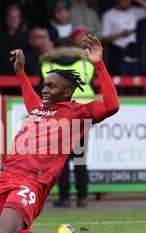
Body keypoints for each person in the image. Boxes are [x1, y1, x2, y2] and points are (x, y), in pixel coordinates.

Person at [0, 34, 120, 233]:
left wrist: (99, 65)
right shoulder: (38, 109)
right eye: (45, 85)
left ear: (67, 92)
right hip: (3, 179)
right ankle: (5, 231)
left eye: (51, 87)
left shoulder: (77, 113)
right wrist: (20, 73)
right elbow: (31, 97)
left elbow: (112, 106)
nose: (45, 90)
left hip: (30, 184)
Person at [40, 33, 96, 208]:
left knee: (61, 158)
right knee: (80, 158)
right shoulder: (86, 65)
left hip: (61, 116)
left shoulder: (47, 65)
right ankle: (82, 196)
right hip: (82, 115)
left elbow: (43, 90)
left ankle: (64, 197)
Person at [101, 0, 146, 76]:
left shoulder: (133, 11)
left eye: (129, 1)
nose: (127, 3)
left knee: (136, 79)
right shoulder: (109, 15)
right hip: (118, 52)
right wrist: (121, 34)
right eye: (125, 1)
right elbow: (104, 38)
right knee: (119, 80)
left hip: (133, 51)